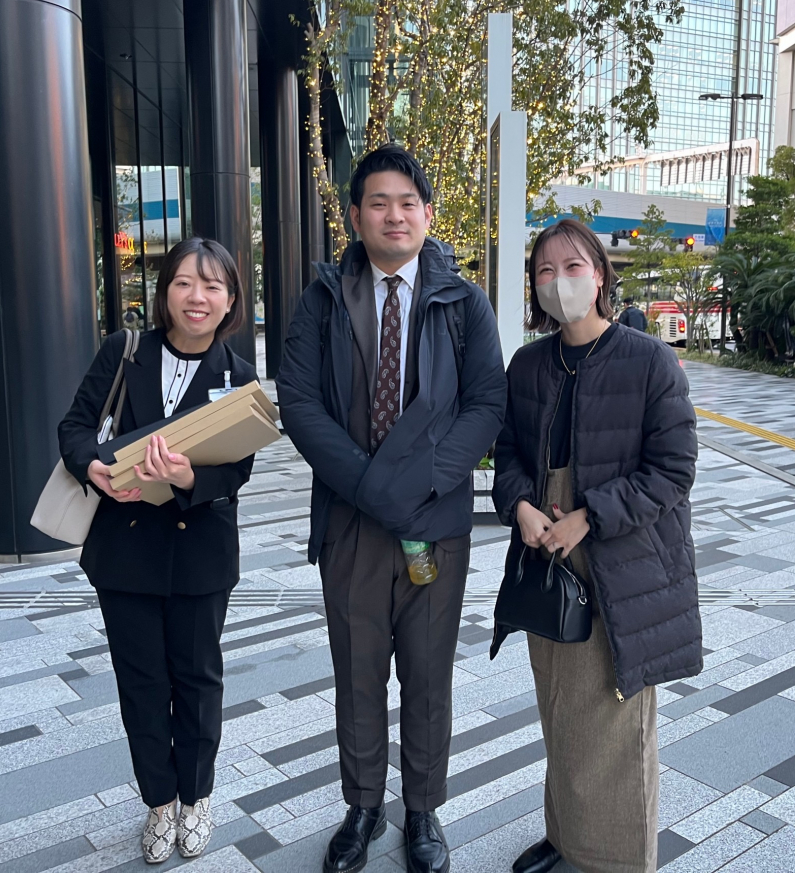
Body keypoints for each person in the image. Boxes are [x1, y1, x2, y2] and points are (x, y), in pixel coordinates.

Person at [277, 144, 506, 873]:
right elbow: (299, 404)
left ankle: (423, 810)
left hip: (434, 523)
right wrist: (371, 489)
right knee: (357, 672)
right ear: (355, 216)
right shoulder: (321, 300)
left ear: (428, 214)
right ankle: (363, 807)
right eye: (379, 202)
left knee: (428, 675)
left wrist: (422, 484)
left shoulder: (463, 302)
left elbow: (487, 404)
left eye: (408, 203)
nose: (394, 215)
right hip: (350, 524)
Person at [492, 218, 701, 873]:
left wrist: (591, 515)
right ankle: (567, 838)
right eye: (545, 271)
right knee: (560, 709)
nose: (560, 282)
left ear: (602, 274)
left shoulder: (648, 360)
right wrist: (520, 505)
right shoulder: (529, 364)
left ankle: (621, 858)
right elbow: (508, 453)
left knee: (615, 717)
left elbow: (674, 470)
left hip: (622, 557)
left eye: (573, 267)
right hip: (546, 553)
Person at [58, 237, 256, 864]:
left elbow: (238, 470)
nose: (198, 297)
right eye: (184, 283)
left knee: (197, 682)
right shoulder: (124, 352)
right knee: (141, 684)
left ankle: (196, 798)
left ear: (231, 300)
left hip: (200, 556)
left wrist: (189, 477)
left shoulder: (238, 377)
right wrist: (91, 465)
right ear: (165, 290)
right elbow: (75, 427)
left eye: (213, 286)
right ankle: (159, 801)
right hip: (125, 551)